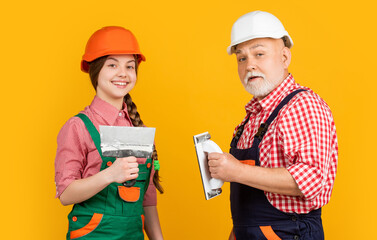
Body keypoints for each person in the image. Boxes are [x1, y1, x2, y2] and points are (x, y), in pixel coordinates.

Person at [208, 11, 338, 240]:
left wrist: (237, 170)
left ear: (285, 58)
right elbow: (250, 208)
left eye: (259, 54)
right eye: (242, 58)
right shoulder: (250, 119)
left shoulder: (302, 106)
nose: (250, 65)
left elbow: (311, 179)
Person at [54, 26, 164, 240]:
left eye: (130, 66)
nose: (123, 73)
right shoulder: (78, 126)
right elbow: (66, 194)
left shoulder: (137, 128)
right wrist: (110, 175)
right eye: (112, 65)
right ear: (96, 71)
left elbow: (147, 198)